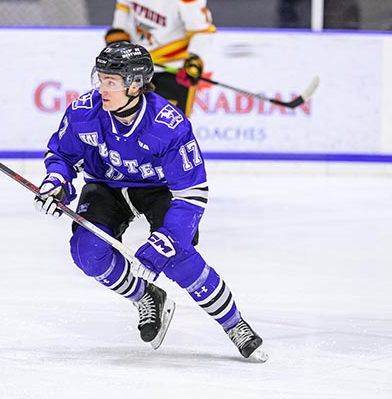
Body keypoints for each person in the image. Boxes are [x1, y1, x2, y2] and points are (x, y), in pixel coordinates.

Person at [33, 41, 266, 361]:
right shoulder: (84, 111)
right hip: (106, 186)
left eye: (110, 82)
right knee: (87, 253)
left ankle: (234, 324)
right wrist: (56, 182)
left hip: (159, 190)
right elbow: (61, 154)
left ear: (135, 84)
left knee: (177, 257)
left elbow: (192, 192)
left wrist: (168, 239)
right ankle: (146, 296)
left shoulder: (168, 125)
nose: (102, 88)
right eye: (100, 79)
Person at [105, 0, 214, 118]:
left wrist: (194, 59)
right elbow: (124, 8)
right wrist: (119, 32)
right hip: (136, 67)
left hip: (173, 71)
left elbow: (202, 31)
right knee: (129, 125)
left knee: (169, 131)